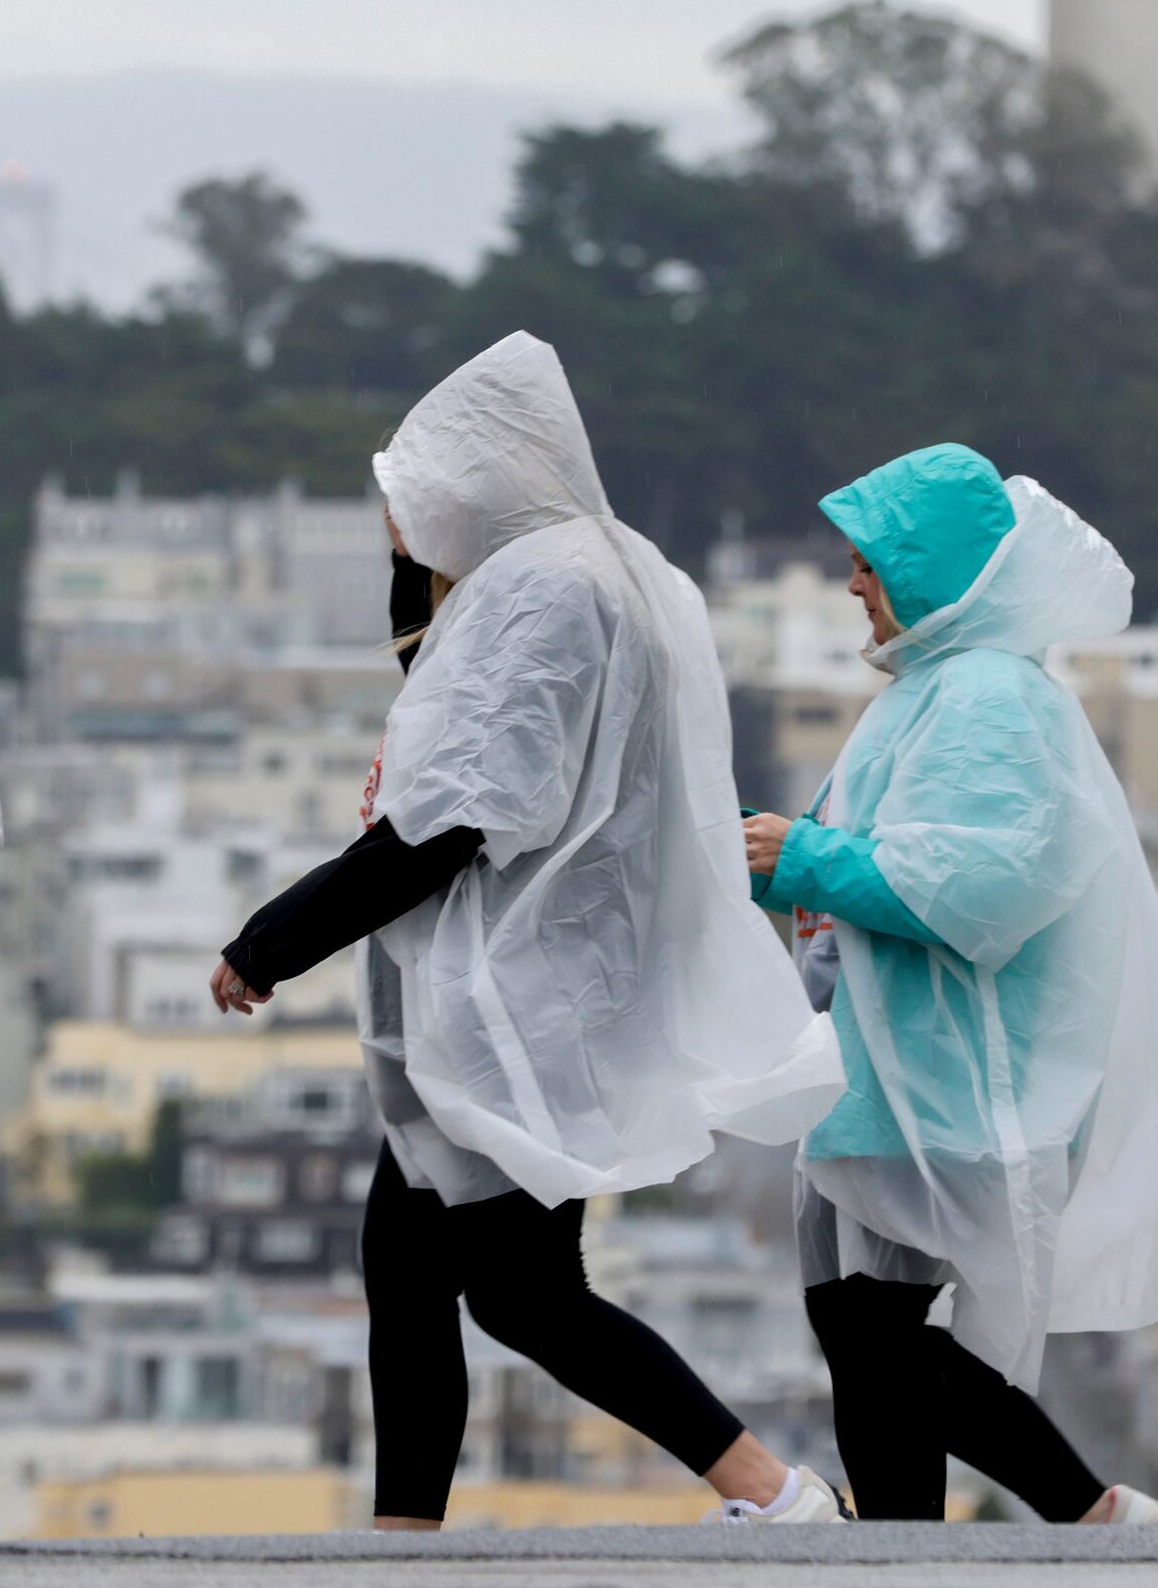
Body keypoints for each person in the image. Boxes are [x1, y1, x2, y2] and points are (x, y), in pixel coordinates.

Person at [210, 331, 851, 1527]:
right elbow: (446, 730)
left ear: (481, 478)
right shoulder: (601, 570)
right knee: (408, 1271)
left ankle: (773, 1493)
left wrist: (272, 940)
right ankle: (406, 1538)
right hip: (538, 986)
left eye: (416, 498)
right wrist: (422, 573)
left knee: (522, 1291)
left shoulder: (549, 587)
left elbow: (452, 820)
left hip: (520, 1000)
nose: (401, 525)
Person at [741, 443, 1158, 1524]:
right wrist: (791, 859)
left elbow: (984, 883)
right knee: (866, 1332)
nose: (853, 584)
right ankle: (1078, 1522)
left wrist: (803, 859)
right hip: (894, 1061)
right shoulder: (940, 690)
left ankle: (934, 1559)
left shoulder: (990, 698)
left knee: (874, 1335)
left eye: (868, 561)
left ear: (927, 566)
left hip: (941, 1068)